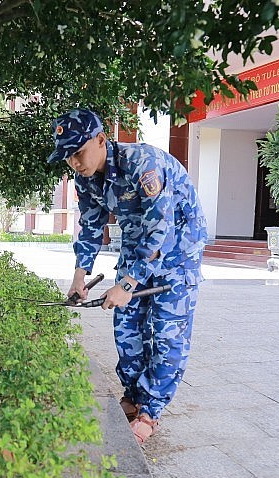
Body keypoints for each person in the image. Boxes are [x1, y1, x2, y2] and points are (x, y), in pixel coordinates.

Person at [48, 108, 207, 444]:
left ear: (101, 140)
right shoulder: (86, 178)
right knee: (126, 325)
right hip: (137, 247)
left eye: (78, 152)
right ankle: (133, 397)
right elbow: (91, 227)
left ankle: (150, 411)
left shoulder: (143, 165)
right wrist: (79, 277)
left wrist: (126, 284)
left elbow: (160, 231)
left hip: (178, 251)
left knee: (167, 333)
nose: (74, 162)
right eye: (67, 157)